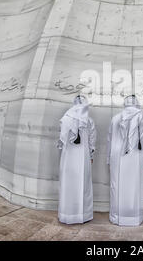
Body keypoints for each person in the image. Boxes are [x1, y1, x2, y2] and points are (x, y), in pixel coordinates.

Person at [107, 95, 143, 226]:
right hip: (138, 156)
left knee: (117, 185)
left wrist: (108, 159)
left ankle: (117, 215)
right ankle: (135, 216)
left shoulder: (115, 118)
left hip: (117, 156)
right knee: (136, 184)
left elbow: (109, 139)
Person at [57, 95, 96, 224]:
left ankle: (67, 214)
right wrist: (91, 155)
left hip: (68, 156)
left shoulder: (65, 118)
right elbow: (92, 140)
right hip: (83, 156)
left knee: (69, 183)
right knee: (82, 183)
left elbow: (61, 139)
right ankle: (82, 215)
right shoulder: (88, 120)